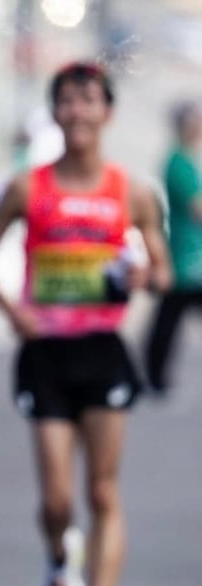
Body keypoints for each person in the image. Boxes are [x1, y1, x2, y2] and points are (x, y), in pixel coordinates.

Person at [0, 61, 170, 586]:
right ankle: (62, 557)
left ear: (107, 112)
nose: (78, 111)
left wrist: (142, 274)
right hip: (45, 355)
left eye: (89, 100)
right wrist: (14, 312)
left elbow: (163, 273)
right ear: (55, 113)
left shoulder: (130, 192)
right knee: (58, 501)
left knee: (102, 491)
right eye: (67, 100)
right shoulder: (28, 189)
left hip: (104, 353)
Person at [144, 100, 202, 394]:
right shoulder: (178, 162)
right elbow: (196, 208)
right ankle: (154, 373)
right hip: (185, 258)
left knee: (168, 318)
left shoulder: (190, 160)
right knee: (168, 319)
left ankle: (155, 372)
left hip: (194, 258)